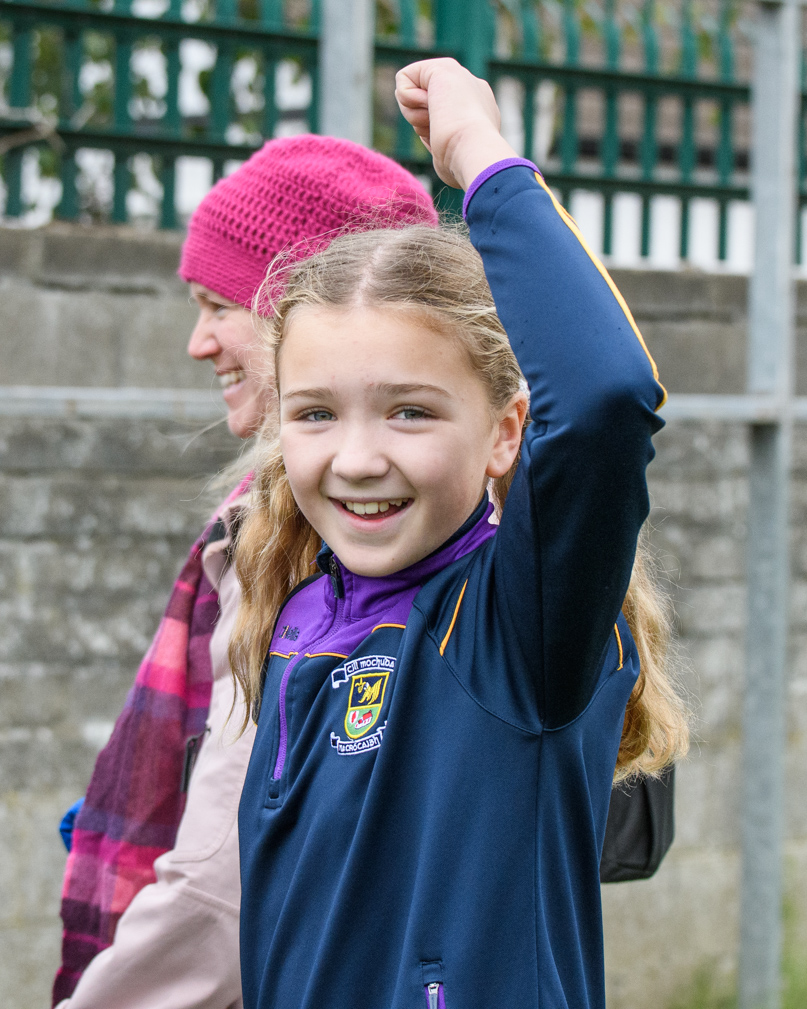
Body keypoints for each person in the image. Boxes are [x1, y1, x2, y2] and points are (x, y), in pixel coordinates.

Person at [229, 58, 689, 1009]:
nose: (355, 458)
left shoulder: (513, 625)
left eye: (409, 412)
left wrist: (481, 156)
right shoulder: (296, 611)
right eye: (315, 414)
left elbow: (605, 394)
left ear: (505, 432)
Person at [52, 134, 438, 1009]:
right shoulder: (442, 517)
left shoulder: (308, 539)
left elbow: (224, 887)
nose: (198, 341)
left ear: (310, 311)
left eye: (217, 303)